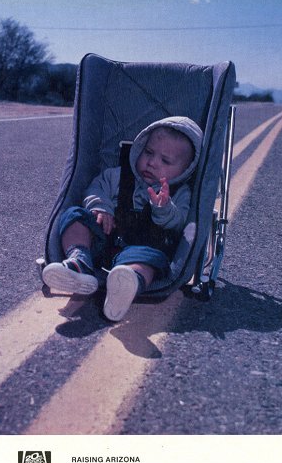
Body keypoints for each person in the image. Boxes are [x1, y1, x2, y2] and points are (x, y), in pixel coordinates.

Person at [42, 116, 203, 321]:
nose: (152, 163)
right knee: (74, 215)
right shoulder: (117, 175)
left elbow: (180, 222)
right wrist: (101, 207)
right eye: (148, 152)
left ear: (185, 170)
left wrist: (163, 208)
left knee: (150, 260)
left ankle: (127, 285)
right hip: (105, 238)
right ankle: (79, 261)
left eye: (165, 160)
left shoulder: (179, 193)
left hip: (143, 249)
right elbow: (96, 189)